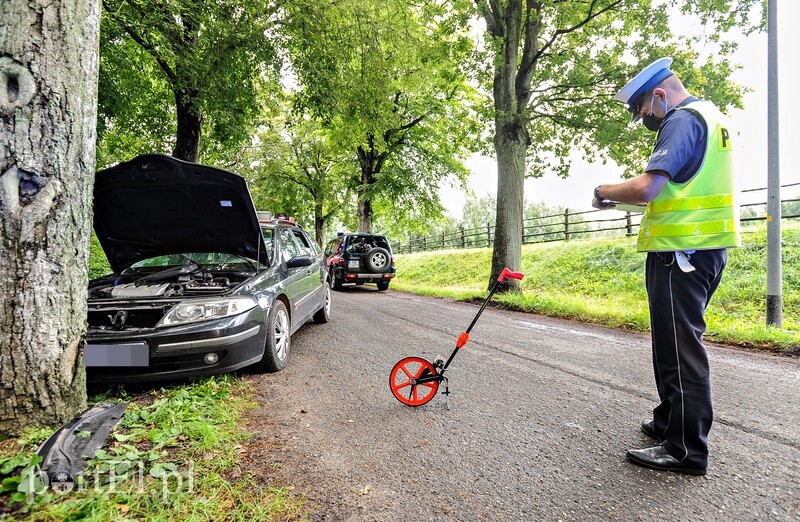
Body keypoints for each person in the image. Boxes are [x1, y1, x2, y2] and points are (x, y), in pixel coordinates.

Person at [592, 57, 741, 476]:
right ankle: (667, 421)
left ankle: (684, 449)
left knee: (680, 348)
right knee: (671, 342)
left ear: (659, 95)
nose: (643, 117)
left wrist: (602, 190)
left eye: (642, 108)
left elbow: (648, 187)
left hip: (683, 252)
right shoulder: (714, 118)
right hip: (702, 248)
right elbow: (676, 188)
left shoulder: (681, 119)